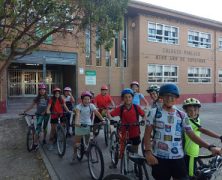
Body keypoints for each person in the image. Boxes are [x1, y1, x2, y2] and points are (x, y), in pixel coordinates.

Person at [144, 83, 222, 180]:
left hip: (178, 159)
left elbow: (192, 135)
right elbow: (147, 134)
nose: (169, 98)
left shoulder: (182, 115)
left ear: (176, 98)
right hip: (160, 158)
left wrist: (210, 147)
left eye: (172, 96)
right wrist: (148, 153)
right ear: (162, 97)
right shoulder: (153, 113)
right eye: (166, 95)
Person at [182, 98, 222, 178]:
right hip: (190, 152)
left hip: (195, 148)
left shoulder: (197, 119)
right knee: (191, 175)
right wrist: (219, 136)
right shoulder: (188, 121)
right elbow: (203, 130)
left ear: (198, 110)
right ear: (186, 111)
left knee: (195, 168)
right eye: (190, 110)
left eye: (195, 110)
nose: (193, 112)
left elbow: (198, 132)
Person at [108, 88, 145, 158]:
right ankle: (121, 161)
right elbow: (110, 114)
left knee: (135, 151)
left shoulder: (136, 107)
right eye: (125, 97)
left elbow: (144, 115)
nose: (128, 99)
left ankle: (134, 165)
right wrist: (111, 120)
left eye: (129, 97)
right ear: (123, 98)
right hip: (124, 132)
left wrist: (143, 120)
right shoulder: (121, 108)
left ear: (132, 97)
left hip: (135, 131)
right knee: (122, 153)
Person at [72, 91, 105, 160]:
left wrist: (102, 120)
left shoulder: (91, 106)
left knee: (88, 142)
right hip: (79, 125)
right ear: (82, 99)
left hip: (88, 125)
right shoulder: (79, 106)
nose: (87, 101)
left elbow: (97, 113)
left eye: (88, 99)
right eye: (85, 99)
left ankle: (88, 153)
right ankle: (75, 153)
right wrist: (77, 123)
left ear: (90, 100)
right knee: (77, 143)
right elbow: (77, 114)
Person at [24, 83, 50, 149]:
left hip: (46, 115)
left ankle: (44, 139)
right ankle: (35, 143)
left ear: (45, 90)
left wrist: (45, 112)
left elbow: (49, 106)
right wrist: (25, 111)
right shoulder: (37, 98)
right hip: (39, 114)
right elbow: (32, 105)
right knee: (38, 128)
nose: (42, 91)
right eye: (40, 90)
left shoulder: (48, 98)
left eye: (43, 90)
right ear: (39, 91)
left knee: (45, 128)